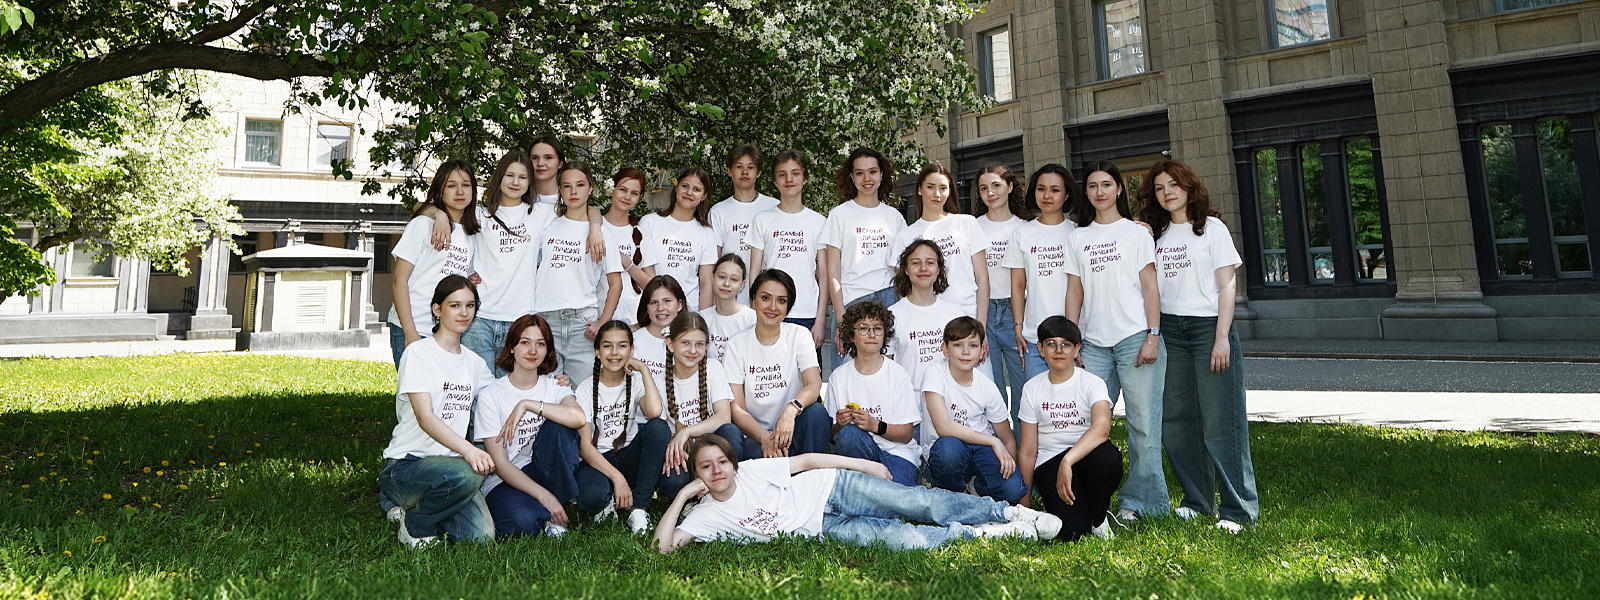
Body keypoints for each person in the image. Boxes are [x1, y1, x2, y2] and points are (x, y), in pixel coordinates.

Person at [651, 434, 1063, 553]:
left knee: (917, 501)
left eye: (721, 462)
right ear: (697, 476)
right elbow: (661, 548)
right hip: (822, 528)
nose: (717, 471)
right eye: (706, 467)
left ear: (732, 463)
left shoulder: (752, 471)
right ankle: (984, 534)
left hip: (833, 487)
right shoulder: (704, 515)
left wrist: (863, 466)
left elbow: (808, 461)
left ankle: (1008, 513)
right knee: (905, 540)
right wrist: (682, 497)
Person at [1136, 159, 1258, 534]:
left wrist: (1222, 338)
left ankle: (1238, 510)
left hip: (1208, 330)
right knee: (1177, 420)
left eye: (1173, 184)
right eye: (1159, 188)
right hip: (1170, 330)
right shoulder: (1154, 234)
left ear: (1189, 187)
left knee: (1221, 421)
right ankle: (1197, 501)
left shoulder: (1212, 229)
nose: (1167, 192)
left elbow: (1227, 286)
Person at [420, 151, 606, 372]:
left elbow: (587, 208)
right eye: (510, 175)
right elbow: (420, 207)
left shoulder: (540, 213)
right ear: (500, 177)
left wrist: (595, 226)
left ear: (530, 182)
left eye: (523, 177)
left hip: (520, 321)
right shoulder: (479, 213)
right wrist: (440, 216)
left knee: (510, 388)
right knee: (477, 386)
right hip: (480, 318)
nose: (515, 182)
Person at [1066, 159, 1168, 523]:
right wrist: (1072, 340)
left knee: (1143, 424)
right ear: (1086, 192)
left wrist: (1153, 335)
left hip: (1135, 337)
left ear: (1119, 189)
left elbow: (1150, 286)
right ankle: (1089, 497)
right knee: (1086, 422)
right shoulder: (1077, 238)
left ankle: (1141, 502)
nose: (1100, 192)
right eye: (1093, 186)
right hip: (1092, 344)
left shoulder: (1135, 233)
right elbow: (1074, 290)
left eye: (1106, 184)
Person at [380, 275, 496, 546]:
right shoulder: (418, 353)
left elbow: (501, 396)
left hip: (451, 467)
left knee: (481, 538)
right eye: (455, 305)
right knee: (469, 472)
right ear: (437, 309)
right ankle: (415, 523)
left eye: (470, 305)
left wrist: (549, 384)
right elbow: (425, 418)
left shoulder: (474, 363)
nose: (464, 312)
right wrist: (469, 450)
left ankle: (423, 505)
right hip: (408, 465)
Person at [474, 314, 588, 538]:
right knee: (521, 523)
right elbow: (500, 464)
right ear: (512, 347)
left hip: (544, 471)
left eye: (540, 344)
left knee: (560, 428)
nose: (532, 350)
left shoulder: (555, 385)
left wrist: (528, 404)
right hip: (506, 478)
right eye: (525, 342)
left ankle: (549, 511)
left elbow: (578, 418)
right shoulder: (491, 395)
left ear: (548, 350)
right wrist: (546, 497)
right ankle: (546, 510)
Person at [1018, 316, 1124, 542]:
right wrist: (1024, 504)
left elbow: (1102, 427)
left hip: (1086, 456)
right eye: (1051, 344)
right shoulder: (1031, 388)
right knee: (1072, 532)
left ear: (1077, 349)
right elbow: (1027, 451)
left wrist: (1068, 461)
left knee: (1108, 459)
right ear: (1040, 348)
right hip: (1050, 461)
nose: (1059, 351)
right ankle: (1081, 511)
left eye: (1066, 345)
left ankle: (1098, 517)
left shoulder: (1092, 382)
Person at [574, 320, 671, 535]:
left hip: (627, 456)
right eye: (607, 346)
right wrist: (617, 478)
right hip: (598, 460)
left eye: (622, 346)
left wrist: (643, 369)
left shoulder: (635, 381)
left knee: (658, 428)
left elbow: (654, 412)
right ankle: (607, 498)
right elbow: (584, 446)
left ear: (631, 350)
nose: (614, 352)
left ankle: (639, 507)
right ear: (597, 352)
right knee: (591, 499)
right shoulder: (585, 389)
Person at [535, 162, 624, 386]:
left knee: (584, 394)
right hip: (546, 321)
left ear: (591, 188)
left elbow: (616, 284)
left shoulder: (603, 234)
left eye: (580, 185)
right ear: (560, 189)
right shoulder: (547, 224)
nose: (573, 191)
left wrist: (602, 323)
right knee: (547, 392)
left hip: (583, 324)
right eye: (567, 186)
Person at [920, 317, 1025, 505]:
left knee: (1012, 488)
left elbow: (1007, 438)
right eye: (958, 345)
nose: (966, 352)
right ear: (945, 349)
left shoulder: (987, 386)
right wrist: (993, 441)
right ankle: (947, 491)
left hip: (980, 448)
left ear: (982, 350)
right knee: (950, 450)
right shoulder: (935, 373)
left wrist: (1010, 466)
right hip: (946, 448)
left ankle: (975, 487)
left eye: (973, 345)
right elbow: (943, 427)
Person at [725, 269, 828, 459]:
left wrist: (791, 410)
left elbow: (814, 385)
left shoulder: (800, 335)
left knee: (817, 413)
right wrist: (765, 438)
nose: (773, 307)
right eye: (765, 298)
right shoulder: (736, 344)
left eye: (781, 301)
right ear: (753, 300)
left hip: (793, 430)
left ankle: (811, 473)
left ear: (788, 306)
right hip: (756, 437)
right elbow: (736, 408)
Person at [821, 147, 907, 371]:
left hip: (889, 300)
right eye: (859, 173)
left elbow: (902, 272)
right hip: (852, 301)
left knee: (888, 374)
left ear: (881, 174)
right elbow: (832, 272)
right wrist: (841, 319)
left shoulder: (895, 217)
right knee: (847, 374)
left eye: (872, 172)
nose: (867, 178)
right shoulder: (839, 215)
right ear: (852, 177)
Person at [387, 161, 478, 366]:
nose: (460, 191)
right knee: (416, 387)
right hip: (414, 327)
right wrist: (410, 332)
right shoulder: (422, 225)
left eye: (466, 185)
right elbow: (399, 280)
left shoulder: (471, 233)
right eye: (451, 185)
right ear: (440, 190)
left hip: (448, 332)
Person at [824, 300, 921, 486]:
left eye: (877, 328)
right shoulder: (838, 377)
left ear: (885, 334)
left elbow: (907, 434)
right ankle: (866, 490)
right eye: (863, 328)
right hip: (859, 454)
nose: (871, 334)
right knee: (849, 435)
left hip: (897, 453)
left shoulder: (897, 374)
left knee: (896, 494)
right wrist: (840, 424)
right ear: (851, 335)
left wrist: (874, 425)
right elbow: (833, 435)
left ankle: (865, 491)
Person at [653, 311, 747, 500]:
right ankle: (709, 491)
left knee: (731, 432)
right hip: (685, 453)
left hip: (714, 450)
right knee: (673, 483)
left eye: (699, 344)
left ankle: (719, 490)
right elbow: (661, 429)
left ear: (706, 346)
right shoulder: (659, 381)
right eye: (685, 343)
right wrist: (678, 442)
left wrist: (687, 431)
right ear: (670, 344)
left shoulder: (713, 368)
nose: (692, 350)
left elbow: (723, 416)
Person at [1002, 163, 1081, 381]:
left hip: (1073, 337)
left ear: (1066, 195)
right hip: (1035, 339)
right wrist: (1018, 328)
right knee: (1038, 398)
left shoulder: (1078, 232)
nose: (1047, 195)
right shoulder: (1022, 233)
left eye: (1055, 190)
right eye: (1041, 189)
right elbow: (1018, 285)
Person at [890, 163, 989, 324]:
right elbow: (903, 288)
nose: (937, 194)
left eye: (943, 188)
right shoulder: (906, 236)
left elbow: (982, 278)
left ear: (949, 191)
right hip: (926, 322)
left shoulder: (967, 223)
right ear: (919, 189)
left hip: (966, 317)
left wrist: (982, 324)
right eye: (930, 187)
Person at [972, 163, 1033, 424]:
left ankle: (1023, 444)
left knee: (1023, 385)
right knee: (991, 388)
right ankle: (1000, 446)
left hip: (1017, 311)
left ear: (1010, 186)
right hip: (983, 311)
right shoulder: (972, 226)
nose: (990, 193)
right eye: (983, 188)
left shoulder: (1025, 227)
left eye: (996, 185)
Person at [749, 149, 828, 351]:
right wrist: (755, 311)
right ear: (775, 181)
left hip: (807, 314)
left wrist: (820, 321)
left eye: (795, 173)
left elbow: (824, 275)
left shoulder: (819, 222)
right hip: (771, 312)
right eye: (782, 174)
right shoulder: (762, 220)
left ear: (805, 178)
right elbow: (754, 272)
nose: (789, 179)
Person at [887, 240, 965, 387]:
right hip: (907, 397)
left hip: (947, 396)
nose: (923, 268)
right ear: (906, 269)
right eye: (916, 263)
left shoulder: (954, 314)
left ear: (938, 269)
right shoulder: (892, 315)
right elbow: (885, 367)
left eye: (930, 263)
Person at [708, 144, 780, 304]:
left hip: (768, 298)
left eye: (750, 167)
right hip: (730, 298)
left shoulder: (774, 207)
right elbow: (715, 260)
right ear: (729, 171)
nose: (745, 172)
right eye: (739, 167)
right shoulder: (718, 211)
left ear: (759, 172)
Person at [640, 166, 719, 310]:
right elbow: (647, 273)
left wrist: (704, 317)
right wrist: (662, 305)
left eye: (696, 189)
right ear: (676, 188)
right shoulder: (649, 222)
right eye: (685, 186)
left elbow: (706, 283)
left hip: (689, 312)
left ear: (704, 196)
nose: (689, 192)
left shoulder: (707, 233)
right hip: (655, 309)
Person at [599, 167, 661, 327]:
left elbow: (652, 285)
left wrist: (627, 263)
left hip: (634, 319)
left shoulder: (642, 235)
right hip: (598, 315)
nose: (627, 197)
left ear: (639, 197)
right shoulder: (595, 227)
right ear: (612, 190)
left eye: (634, 193)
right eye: (622, 190)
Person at [698, 254, 756, 364]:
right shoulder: (702, 318)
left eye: (734, 279)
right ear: (712, 278)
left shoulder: (751, 318)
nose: (726, 284)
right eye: (722, 277)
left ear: (742, 284)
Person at [632, 275, 687, 380]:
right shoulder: (634, 340)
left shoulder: (689, 342)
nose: (660, 308)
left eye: (667, 301)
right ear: (646, 308)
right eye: (654, 302)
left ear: (679, 305)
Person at [528, 136, 566, 205]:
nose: (540, 163)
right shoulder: (518, 198)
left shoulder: (570, 200)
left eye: (548, 157)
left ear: (560, 163)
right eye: (535, 158)